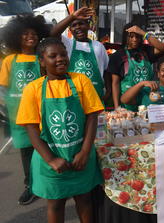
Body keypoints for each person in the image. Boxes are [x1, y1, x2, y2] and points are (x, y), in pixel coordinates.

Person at [16, 38, 103, 223]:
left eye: (63, 54)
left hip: (81, 156)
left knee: (85, 200)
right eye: (53, 56)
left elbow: (92, 117)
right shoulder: (33, 89)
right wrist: (51, 159)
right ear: (42, 61)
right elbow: (31, 127)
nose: (60, 59)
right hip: (50, 160)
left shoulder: (81, 80)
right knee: (55, 203)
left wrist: (85, 152)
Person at [0, 14, 50, 205]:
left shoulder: (42, 58)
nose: (31, 36)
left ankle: (46, 181)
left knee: (46, 148)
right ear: (16, 36)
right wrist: (7, 109)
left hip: (43, 112)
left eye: (34, 33)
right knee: (27, 152)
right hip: (19, 115)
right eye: (25, 34)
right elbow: (2, 88)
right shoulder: (10, 60)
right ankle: (30, 185)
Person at [108, 22, 164, 111]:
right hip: (128, 104)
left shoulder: (146, 51)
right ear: (125, 37)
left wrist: (143, 33)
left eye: (137, 36)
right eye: (131, 37)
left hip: (147, 101)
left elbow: (162, 48)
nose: (135, 39)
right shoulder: (117, 56)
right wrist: (117, 108)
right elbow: (115, 83)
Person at [50, 7, 109, 100]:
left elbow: (106, 70)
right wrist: (72, 16)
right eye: (73, 25)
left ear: (88, 26)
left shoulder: (98, 46)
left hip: (95, 97)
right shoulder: (67, 43)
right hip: (73, 97)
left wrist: (108, 91)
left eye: (81, 24)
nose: (78, 27)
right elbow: (53, 34)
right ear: (70, 29)